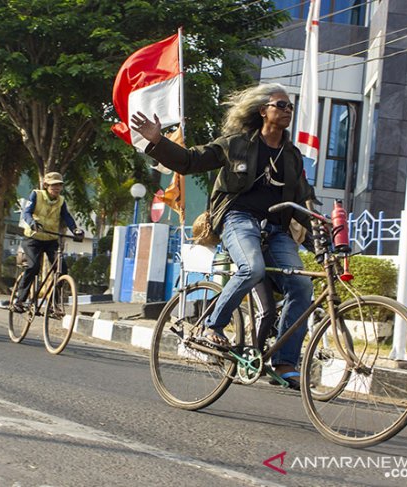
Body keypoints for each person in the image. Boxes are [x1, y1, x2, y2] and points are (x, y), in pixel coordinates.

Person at [131, 83, 314, 390]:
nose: (287, 111)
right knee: (251, 268)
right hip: (238, 220)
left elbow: (303, 201)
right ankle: (211, 326)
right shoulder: (236, 144)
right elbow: (190, 161)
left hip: (276, 230)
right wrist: (158, 141)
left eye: (290, 107)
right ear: (262, 111)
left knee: (302, 286)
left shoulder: (292, 156)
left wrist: (321, 235)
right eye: (280, 105)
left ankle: (284, 363)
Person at [13, 172, 84, 312]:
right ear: (46, 186)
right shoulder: (36, 195)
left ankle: (54, 303)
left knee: (62, 269)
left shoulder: (61, 201)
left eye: (59, 185)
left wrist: (75, 229)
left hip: (51, 240)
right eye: (53, 185)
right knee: (33, 267)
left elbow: (67, 217)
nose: (56, 188)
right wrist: (32, 222)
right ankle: (20, 301)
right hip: (33, 238)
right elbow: (27, 212)